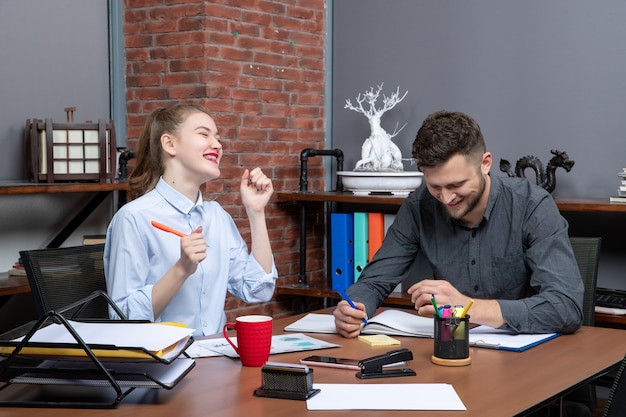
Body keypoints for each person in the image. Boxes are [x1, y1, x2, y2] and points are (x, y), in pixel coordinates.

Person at [334, 110, 584, 339]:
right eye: (435, 186)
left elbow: (565, 307)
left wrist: (465, 307)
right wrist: (354, 306)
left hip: (528, 360)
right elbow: (374, 282)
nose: (446, 198)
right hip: (449, 350)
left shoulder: (532, 206)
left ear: (485, 163)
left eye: (456, 185)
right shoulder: (418, 207)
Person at [104, 104, 278, 337]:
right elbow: (123, 318)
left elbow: (258, 290)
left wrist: (256, 212)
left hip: (214, 358)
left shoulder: (217, 217)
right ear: (170, 144)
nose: (217, 144)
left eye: (217, 137)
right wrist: (181, 270)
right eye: (204, 134)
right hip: (161, 365)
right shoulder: (133, 218)